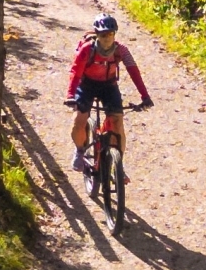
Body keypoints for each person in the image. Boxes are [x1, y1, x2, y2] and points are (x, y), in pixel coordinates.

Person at [65, 13, 153, 173]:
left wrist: (145, 96)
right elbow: (76, 72)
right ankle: (79, 151)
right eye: (103, 34)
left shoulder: (121, 50)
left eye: (110, 34)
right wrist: (70, 95)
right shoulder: (87, 49)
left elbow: (134, 71)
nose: (107, 38)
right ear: (97, 34)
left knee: (118, 124)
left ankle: (118, 165)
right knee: (79, 120)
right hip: (87, 85)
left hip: (109, 86)